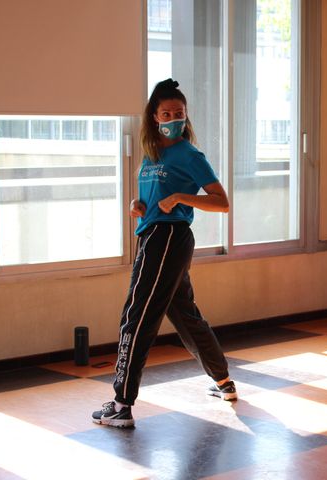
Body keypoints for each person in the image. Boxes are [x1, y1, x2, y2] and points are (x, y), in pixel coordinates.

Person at [92, 79, 235, 428]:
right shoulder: (151, 152)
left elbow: (222, 202)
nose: (173, 118)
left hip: (167, 238)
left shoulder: (189, 154)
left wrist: (181, 199)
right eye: (167, 113)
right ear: (154, 117)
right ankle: (223, 382)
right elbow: (152, 197)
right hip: (154, 234)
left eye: (179, 113)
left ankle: (121, 403)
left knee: (137, 315)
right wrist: (137, 205)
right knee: (184, 314)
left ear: (186, 117)